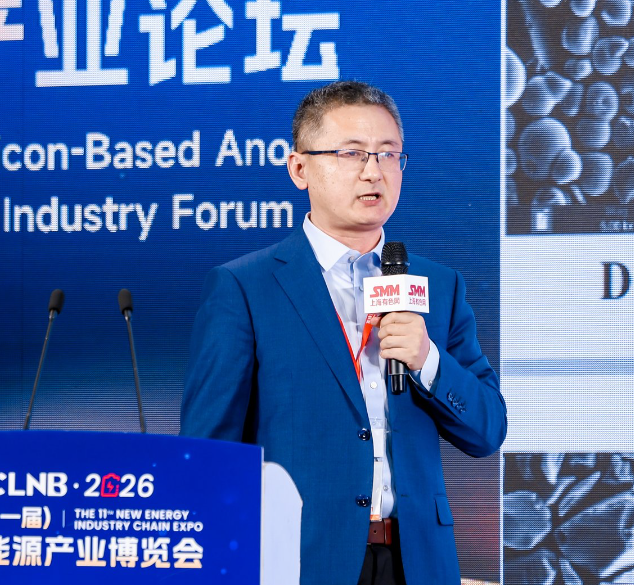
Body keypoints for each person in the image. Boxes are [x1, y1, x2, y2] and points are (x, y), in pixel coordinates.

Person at [181, 80, 506, 585]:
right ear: (299, 169)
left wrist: (428, 361)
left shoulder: (438, 286)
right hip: (299, 561)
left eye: (388, 154)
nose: (373, 171)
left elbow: (488, 431)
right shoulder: (245, 287)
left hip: (418, 563)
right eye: (352, 153)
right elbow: (210, 455)